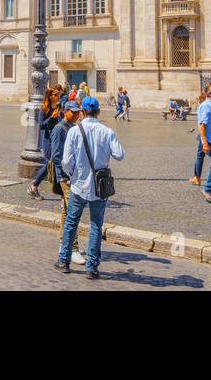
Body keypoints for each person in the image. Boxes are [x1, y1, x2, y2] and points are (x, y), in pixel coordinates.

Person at [55, 95, 124, 279]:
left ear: (83, 112)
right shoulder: (107, 132)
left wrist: (73, 176)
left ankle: (63, 261)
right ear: (98, 112)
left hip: (78, 186)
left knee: (71, 223)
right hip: (99, 188)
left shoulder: (74, 131)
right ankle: (92, 268)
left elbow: (66, 162)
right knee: (96, 226)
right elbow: (119, 155)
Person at [50, 100, 86, 267]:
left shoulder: (73, 128)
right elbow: (56, 156)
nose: (77, 114)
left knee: (66, 211)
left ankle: (63, 244)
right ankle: (73, 249)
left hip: (73, 176)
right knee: (73, 212)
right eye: (74, 112)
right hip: (66, 178)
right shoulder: (59, 129)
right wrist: (67, 175)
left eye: (78, 112)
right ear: (65, 111)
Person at [28, 87, 63, 200]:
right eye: (55, 94)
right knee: (49, 164)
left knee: (56, 163)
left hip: (58, 139)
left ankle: (62, 191)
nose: (58, 96)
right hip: (48, 140)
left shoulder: (59, 107)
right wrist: (52, 118)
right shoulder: (44, 109)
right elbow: (41, 125)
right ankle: (34, 186)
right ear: (50, 96)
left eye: (58, 94)